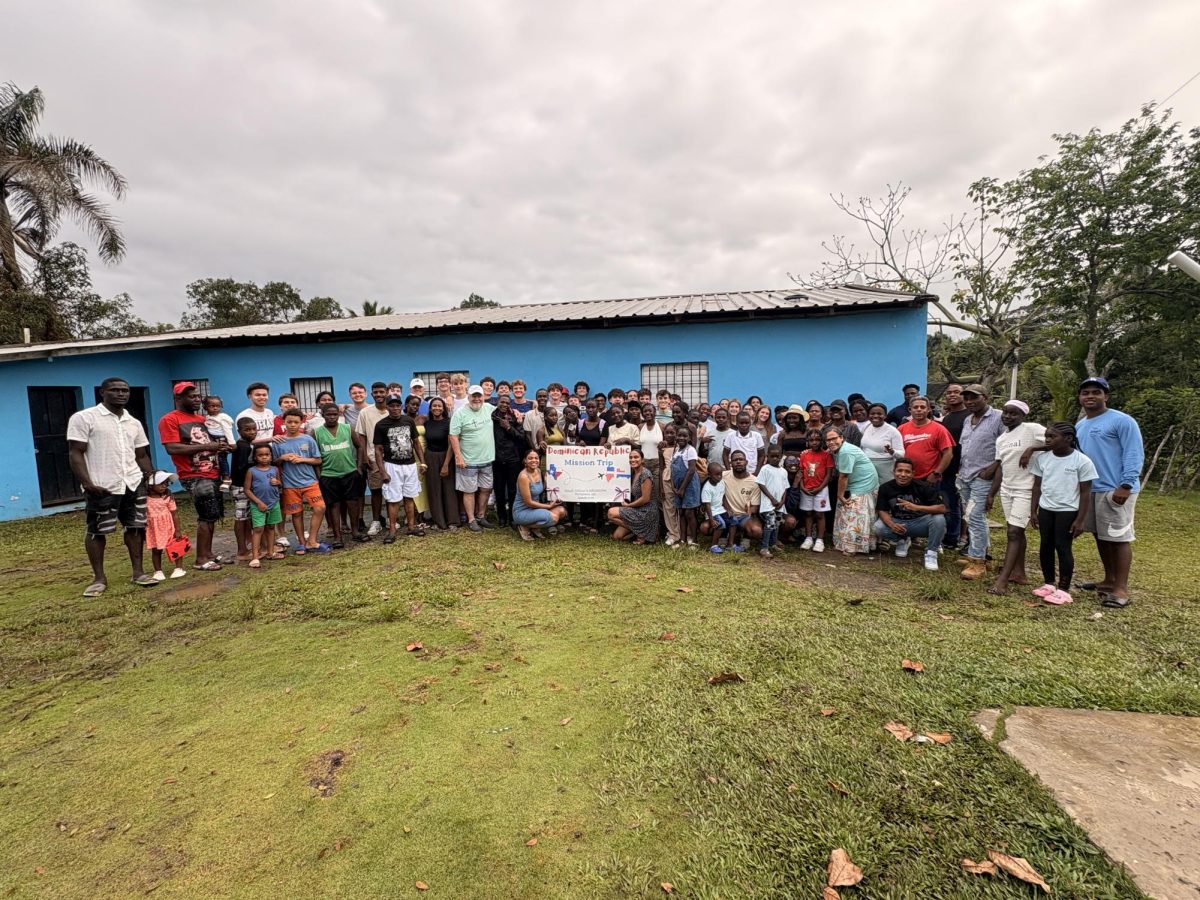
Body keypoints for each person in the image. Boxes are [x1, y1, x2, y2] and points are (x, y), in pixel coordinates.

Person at [68, 377, 157, 595]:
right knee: (97, 531)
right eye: (115, 390)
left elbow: (141, 455)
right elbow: (75, 452)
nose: (121, 394)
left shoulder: (133, 422)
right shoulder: (85, 418)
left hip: (133, 483)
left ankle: (138, 573)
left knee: (135, 528)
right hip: (102, 485)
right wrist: (87, 483)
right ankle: (99, 579)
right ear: (102, 393)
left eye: (125, 390)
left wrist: (151, 477)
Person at [1072, 377, 1144, 608]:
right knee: (1100, 535)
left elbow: (1133, 453)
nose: (1090, 396)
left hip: (1115, 489)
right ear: (1080, 397)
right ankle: (1108, 580)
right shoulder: (1081, 425)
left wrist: (1126, 485)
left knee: (1118, 538)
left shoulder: (1122, 421)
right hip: (1091, 488)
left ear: (1106, 396)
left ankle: (1121, 589)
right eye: (1085, 393)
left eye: (1096, 392)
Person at [159, 381, 226, 570]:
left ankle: (209, 553)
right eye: (191, 396)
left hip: (213, 472)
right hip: (193, 474)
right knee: (205, 515)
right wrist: (208, 446)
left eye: (197, 396)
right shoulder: (170, 420)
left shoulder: (203, 419)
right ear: (178, 398)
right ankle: (201, 560)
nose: (196, 399)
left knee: (213, 514)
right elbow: (172, 448)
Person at [1029, 422, 1097, 605]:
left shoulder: (1082, 461)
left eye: (1052, 437)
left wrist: (1080, 520)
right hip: (1046, 509)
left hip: (1067, 512)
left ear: (1068, 439)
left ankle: (1064, 590)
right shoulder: (1043, 458)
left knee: (1063, 546)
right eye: (1047, 436)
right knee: (1046, 545)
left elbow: (1085, 493)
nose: (1047, 440)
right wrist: (1033, 511)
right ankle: (1049, 583)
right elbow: (1036, 486)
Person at [986, 400, 1046, 595]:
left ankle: (1002, 580)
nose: (1008, 416)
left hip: (1026, 489)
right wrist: (992, 493)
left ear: (1023, 416)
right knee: (1016, 531)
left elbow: (1059, 441)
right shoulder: (1002, 438)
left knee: (1013, 532)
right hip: (1007, 489)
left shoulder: (1032, 429)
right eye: (1005, 412)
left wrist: (1032, 449)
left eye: (1013, 413)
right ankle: (1019, 573)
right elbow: (1001, 467)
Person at [956, 384, 1005, 581]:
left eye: (974, 398)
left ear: (985, 397)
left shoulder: (999, 418)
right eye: (966, 398)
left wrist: (994, 467)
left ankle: (978, 562)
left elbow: (1007, 447)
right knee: (970, 516)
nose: (969, 402)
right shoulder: (968, 419)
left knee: (976, 516)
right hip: (965, 474)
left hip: (984, 476)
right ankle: (983, 555)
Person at [874, 458, 946, 572]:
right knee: (878, 527)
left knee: (939, 519)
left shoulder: (923, 486)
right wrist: (892, 525)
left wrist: (917, 507)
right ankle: (902, 540)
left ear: (913, 473)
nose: (903, 474)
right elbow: (882, 510)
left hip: (920, 523)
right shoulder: (885, 488)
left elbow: (942, 508)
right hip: (899, 522)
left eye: (907, 471)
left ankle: (931, 553)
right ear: (893, 472)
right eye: (899, 470)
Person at [275, 409, 330, 554]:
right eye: (289, 422)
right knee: (296, 513)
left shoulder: (308, 439)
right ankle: (301, 543)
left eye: (296, 422)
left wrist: (302, 460)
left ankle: (312, 540)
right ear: (284, 422)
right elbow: (273, 463)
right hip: (289, 484)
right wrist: (282, 458)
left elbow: (318, 460)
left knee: (320, 508)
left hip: (310, 482)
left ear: (301, 423)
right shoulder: (278, 442)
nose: (292, 425)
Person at [373, 394, 427, 542]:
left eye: (398, 405)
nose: (395, 408)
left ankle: (411, 526)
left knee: (409, 497)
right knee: (393, 499)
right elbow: (378, 450)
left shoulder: (408, 421)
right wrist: (382, 471)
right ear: (387, 407)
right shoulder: (381, 425)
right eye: (392, 406)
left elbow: (416, 443)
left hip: (410, 464)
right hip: (392, 465)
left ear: (401, 406)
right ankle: (392, 530)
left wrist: (422, 462)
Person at [315, 402, 365, 548]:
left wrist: (358, 467)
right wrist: (319, 475)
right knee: (334, 505)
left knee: (352, 502)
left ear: (339, 415)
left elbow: (359, 447)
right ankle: (337, 537)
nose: (332, 417)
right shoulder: (316, 433)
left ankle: (355, 531)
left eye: (334, 414)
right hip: (328, 475)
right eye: (328, 414)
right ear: (323, 415)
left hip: (349, 472)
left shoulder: (347, 428)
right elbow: (314, 456)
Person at [824, 425, 880, 556]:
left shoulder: (846, 451)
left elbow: (843, 476)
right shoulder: (837, 450)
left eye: (834, 439)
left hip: (864, 484)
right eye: (828, 440)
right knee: (847, 511)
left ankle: (852, 547)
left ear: (841, 438)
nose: (831, 442)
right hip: (855, 483)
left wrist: (840, 495)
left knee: (855, 514)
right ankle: (847, 543)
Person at [450, 385, 496, 532]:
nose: (477, 399)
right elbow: (453, 436)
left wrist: (516, 412)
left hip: (487, 459)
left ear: (483, 397)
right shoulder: (460, 413)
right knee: (469, 491)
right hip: (468, 460)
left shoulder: (489, 408)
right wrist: (458, 456)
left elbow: (504, 410)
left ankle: (481, 516)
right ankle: (471, 519)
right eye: (474, 396)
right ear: (468, 397)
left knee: (486, 489)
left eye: (479, 396)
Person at [354, 382, 391, 537]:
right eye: (375, 392)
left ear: (387, 392)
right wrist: (364, 457)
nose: (378, 395)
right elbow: (361, 436)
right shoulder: (365, 412)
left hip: (392, 458)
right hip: (373, 457)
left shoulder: (393, 410)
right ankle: (376, 521)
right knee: (376, 490)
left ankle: (390, 518)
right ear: (372, 394)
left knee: (391, 489)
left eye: (381, 392)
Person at [937, 383, 969, 548]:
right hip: (948, 467)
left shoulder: (969, 416)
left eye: (956, 392)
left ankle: (959, 538)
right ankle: (951, 537)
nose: (952, 395)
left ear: (963, 395)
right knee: (949, 503)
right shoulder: (947, 418)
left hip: (964, 468)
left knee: (963, 505)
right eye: (949, 392)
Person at [243, 444, 286, 568]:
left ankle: (270, 552)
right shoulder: (252, 471)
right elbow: (247, 490)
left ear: (271, 456)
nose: (264, 457)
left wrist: (278, 483)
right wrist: (258, 502)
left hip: (274, 503)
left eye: (267, 454)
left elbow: (280, 485)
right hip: (258, 505)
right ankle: (255, 557)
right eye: (260, 455)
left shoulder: (275, 469)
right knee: (258, 529)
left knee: (271, 527)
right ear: (255, 457)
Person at [422, 397, 460, 530]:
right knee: (434, 489)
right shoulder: (427, 423)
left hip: (446, 456)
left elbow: (451, 445)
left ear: (443, 408)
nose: (437, 408)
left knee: (448, 489)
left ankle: (453, 521)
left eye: (439, 406)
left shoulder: (449, 423)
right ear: (430, 408)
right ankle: (439, 521)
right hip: (430, 457)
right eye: (434, 406)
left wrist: (445, 464)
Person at [511, 449, 567, 539]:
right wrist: (548, 506)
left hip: (534, 508)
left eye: (536, 458)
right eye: (530, 458)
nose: (534, 460)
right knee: (554, 518)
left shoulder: (538, 471)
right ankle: (524, 526)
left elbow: (538, 489)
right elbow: (528, 502)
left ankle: (533, 526)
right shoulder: (523, 477)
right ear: (525, 460)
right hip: (522, 511)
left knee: (562, 511)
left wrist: (546, 482)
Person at [898, 397, 955, 485]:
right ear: (910, 410)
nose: (919, 410)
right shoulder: (901, 429)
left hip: (929, 479)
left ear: (928, 409)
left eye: (922, 407)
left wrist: (936, 473)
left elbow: (948, 454)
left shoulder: (939, 429)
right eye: (915, 407)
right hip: (906, 477)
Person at [608, 448, 659, 544]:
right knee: (617, 536)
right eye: (631, 457)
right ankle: (640, 532)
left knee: (611, 513)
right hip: (637, 509)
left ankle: (643, 533)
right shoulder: (633, 473)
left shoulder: (645, 474)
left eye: (636, 457)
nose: (633, 459)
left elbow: (645, 499)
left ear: (642, 460)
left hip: (647, 512)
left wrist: (628, 506)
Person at [797, 428, 834, 552]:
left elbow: (828, 474)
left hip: (821, 489)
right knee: (808, 513)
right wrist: (802, 486)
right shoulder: (804, 455)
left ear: (822, 441)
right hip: (806, 489)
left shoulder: (826, 455)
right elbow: (801, 472)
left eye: (817, 439)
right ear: (807, 441)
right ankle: (808, 538)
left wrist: (820, 488)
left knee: (819, 514)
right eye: (811, 440)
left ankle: (820, 540)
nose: (814, 442)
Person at [145, 470, 186, 580]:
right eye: (161, 483)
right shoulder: (145, 499)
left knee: (175, 546)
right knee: (156, 550)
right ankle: (158, 571)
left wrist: (177, 530)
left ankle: (179, 568)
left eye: (166, 483)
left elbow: (174, 514)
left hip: (168, 527)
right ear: (151, 485)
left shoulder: (167, 497)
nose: (164, 486)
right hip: (153, 529)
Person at [491, 397, 525, 527]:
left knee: (512, 490)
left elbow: (521, 437)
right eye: (502, 402)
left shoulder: (515, 417)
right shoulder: (491, 417)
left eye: (507, 403)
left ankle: (512, 517)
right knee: (499, 489)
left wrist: (509, 427)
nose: (504, 404)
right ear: (497, 403)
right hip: (496, 459)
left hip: (513, 459)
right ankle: (501, 517)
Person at [229, 416, 259, 561]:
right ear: (239, 431)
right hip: (241, 487)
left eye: (254, 429)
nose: (252, 432)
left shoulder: (246, 445)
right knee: (241, 518)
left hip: (244, 486)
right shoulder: (243, 446)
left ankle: (249, 545)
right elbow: (242, 468)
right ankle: (242, 550)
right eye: (247, 430)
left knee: (247, 517)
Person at [720, 450, 764, 548]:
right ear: (731, 463)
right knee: (705, 528)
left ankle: (743, 534)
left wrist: (749, 510)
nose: (738, 462)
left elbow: (755, 507)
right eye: (735, 460)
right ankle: (725, 533)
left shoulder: (754, 481)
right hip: (727, 514)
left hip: (744, 516)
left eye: (741, 459)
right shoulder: (723, 476)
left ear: (746, 462)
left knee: (756, 531)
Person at [859, 402, 905, 488]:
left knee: (885, 491)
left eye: (879, 414)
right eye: (872, 413)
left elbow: (902, 455)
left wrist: (892, 451)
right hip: (867, 467)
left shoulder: (893, 431)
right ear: (868, 415)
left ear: (885, 416)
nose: (875, 416)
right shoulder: (867, 427)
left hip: (885, 469)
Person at [670, 426, 701, 547]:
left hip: (689, 486)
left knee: (689, 513)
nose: (681, 438)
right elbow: (673, 470)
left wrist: (682, 488)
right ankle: (682, 539)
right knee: (681, 512)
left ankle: (694, 540)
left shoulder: (690, 450)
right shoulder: (676, 450)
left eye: (684, 436)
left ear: (689, 438)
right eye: (679, 435)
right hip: (678, 486)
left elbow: (691, 470)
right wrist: (674, 486)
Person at [755, 445, 788, 557]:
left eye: (777, 456)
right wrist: (772, 499)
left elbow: (785, 488)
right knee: (770, 524)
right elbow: (761, 484)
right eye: (772, 456)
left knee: (777, 524)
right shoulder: (765, 469)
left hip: (779, 504)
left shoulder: (783, 471)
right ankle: (764, 548)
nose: (775, 458)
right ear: (767, 456)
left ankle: (773, 543)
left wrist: (782, 501)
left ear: (781, 457)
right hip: (768, 504)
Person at [203, 394, 236, 491]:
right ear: (205, 407)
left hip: (221, 439)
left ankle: (226, 478)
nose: (215, 408)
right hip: (211, 440)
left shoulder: (223, 417)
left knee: (222, 459)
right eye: (212, 406)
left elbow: (227, 430)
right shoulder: (207, 417)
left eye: (218, 406)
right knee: (214, 460)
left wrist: (232, 443)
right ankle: (218, 478)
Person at [659, 423, 682, 546]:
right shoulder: (662, 447)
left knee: (680, 506)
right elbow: (661, 467)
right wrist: (661, 487)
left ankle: (681, 533)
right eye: (666, 433)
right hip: (666, 478)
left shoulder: (681, 446)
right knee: (669, 507)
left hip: (679, 478)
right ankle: (672, 533)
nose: (669, 435)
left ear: (677, 434)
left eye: (672, 433)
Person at [701, 462, 731, 553]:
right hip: (713, 512)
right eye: (717, 475)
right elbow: (707, 505)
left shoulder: (721, 482)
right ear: (709, 475)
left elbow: (723, 496)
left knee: (732, 520)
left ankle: (728, 543)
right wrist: (711, 519)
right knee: (720, 524)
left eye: (720, 474)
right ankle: (713, 546)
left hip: (720, 509)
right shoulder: (707, 488)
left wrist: (728, 509)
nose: (719, 477)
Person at [638, 404, 664, 478]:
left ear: (655, 412)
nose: (647, 413)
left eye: (650, 411)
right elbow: (638, 446)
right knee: (644, 485)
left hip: (657, 463)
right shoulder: (640, 426)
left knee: (656, 485)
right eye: (645, 411)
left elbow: (667, 444)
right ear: (642, 414)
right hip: (643, 463)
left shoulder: (662, 426)